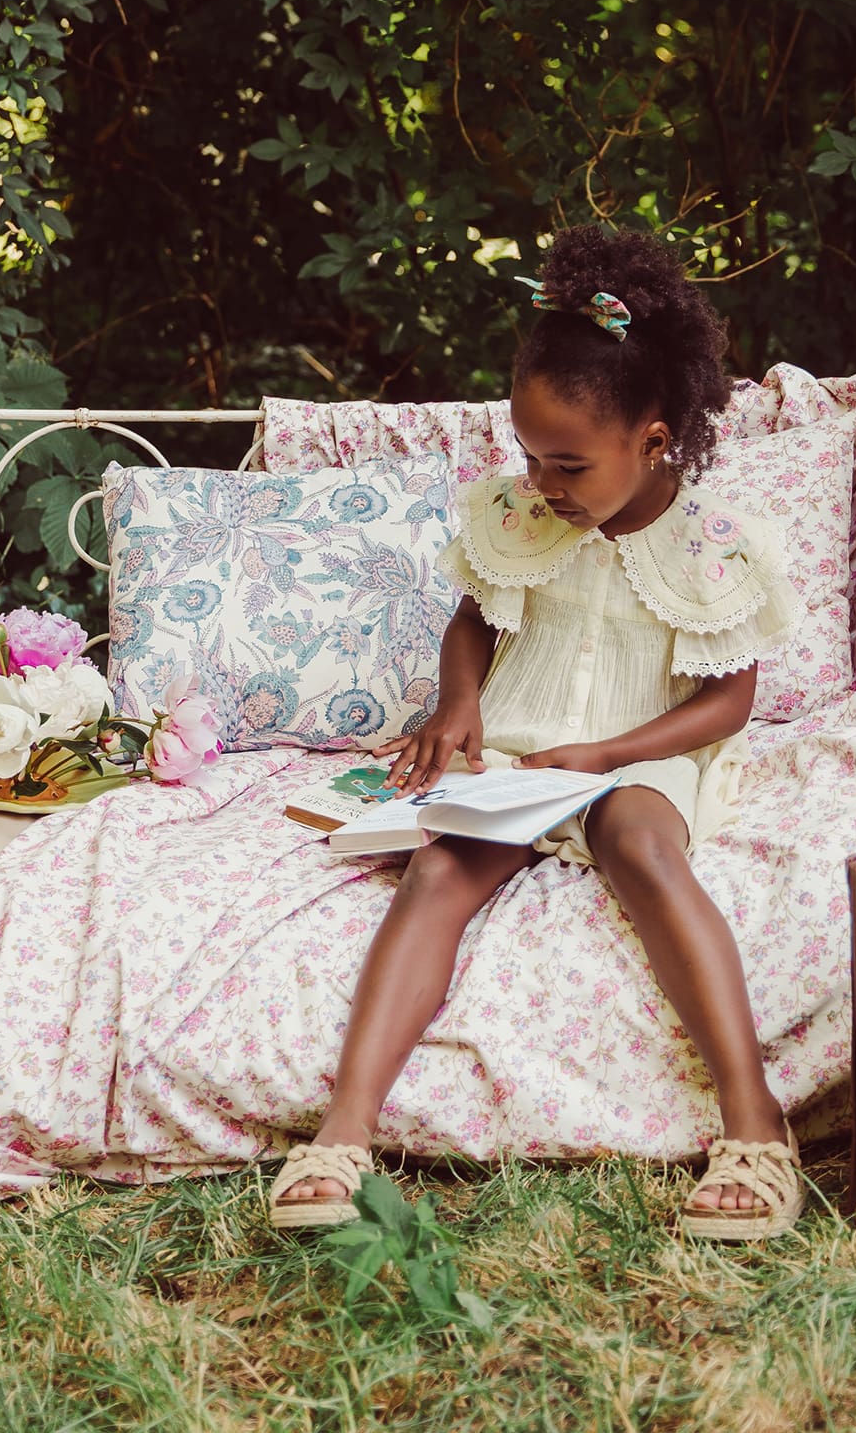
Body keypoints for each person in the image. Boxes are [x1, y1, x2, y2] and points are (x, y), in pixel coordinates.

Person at [268, 225, 805, 1243]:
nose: (542, 482)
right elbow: (476, 615)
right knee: (438, 869)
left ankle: (754, 1124)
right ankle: (342, 1133)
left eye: (566, 461)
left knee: (642, 844)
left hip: (638, 750)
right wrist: (457, 701)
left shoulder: (713, 546)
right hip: (519, 748)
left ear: (652, 439)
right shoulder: (518, 515)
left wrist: (608, 756)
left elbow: (727, 701)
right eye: (527, 453)